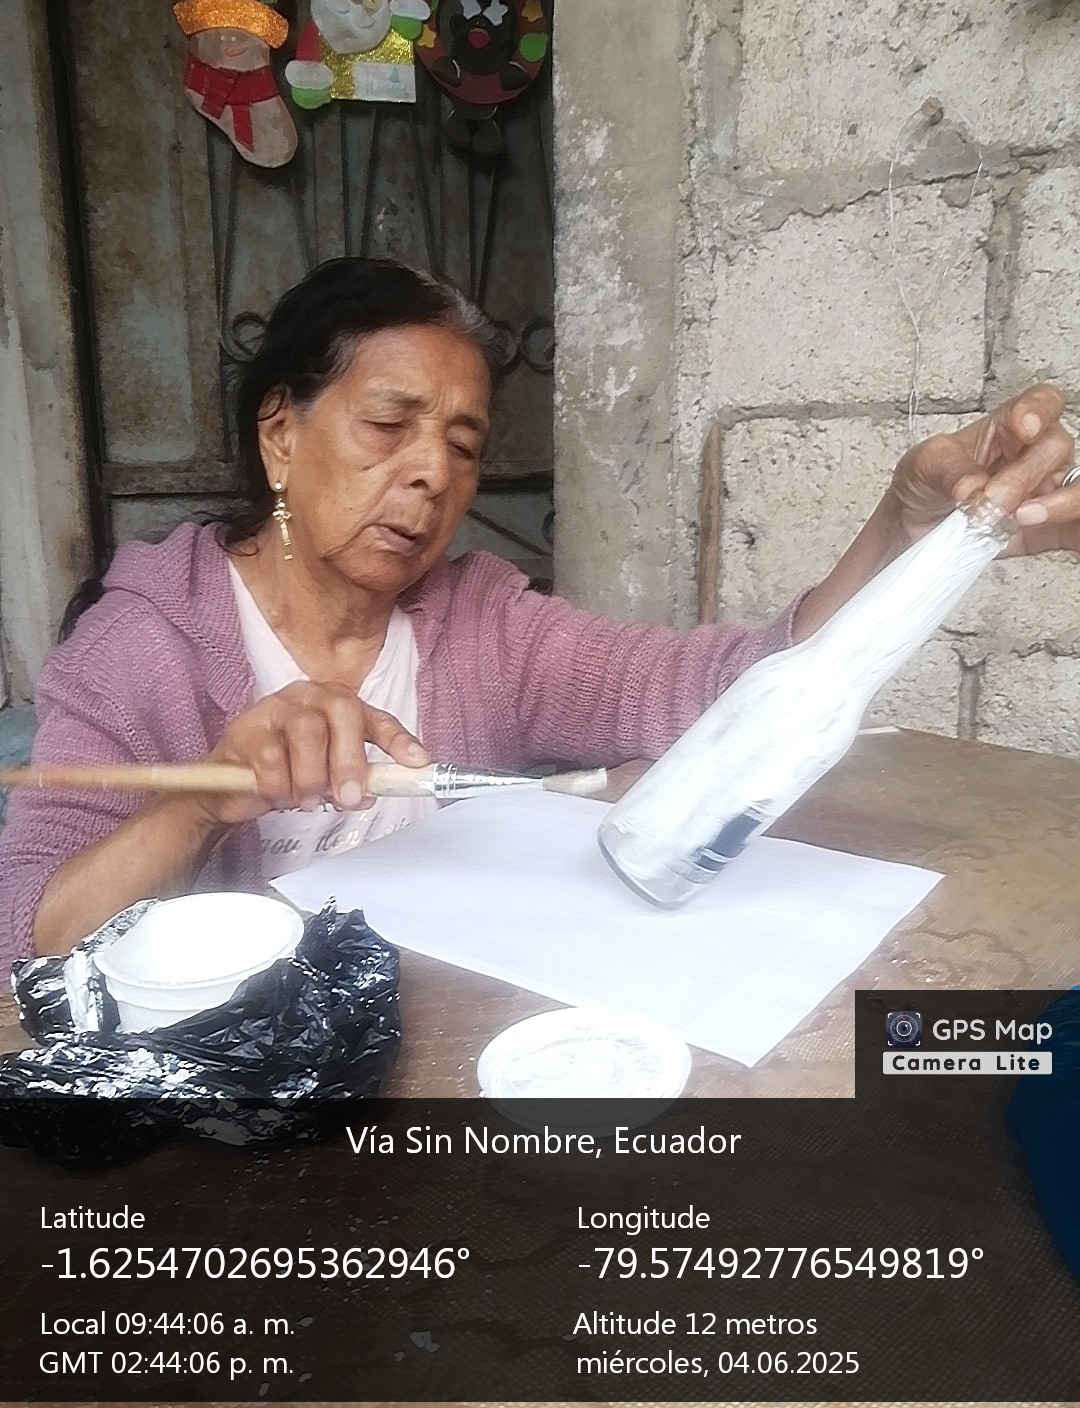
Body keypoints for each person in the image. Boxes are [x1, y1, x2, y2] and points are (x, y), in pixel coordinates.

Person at [0, 257, 1077, 977]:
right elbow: (23, 943)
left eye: (463, 447)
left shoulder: (480, 628)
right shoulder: (146, 646)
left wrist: (904, 530)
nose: (431, 474)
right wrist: (204, 802)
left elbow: (720, 690)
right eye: (389, 424)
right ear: (280, 435)